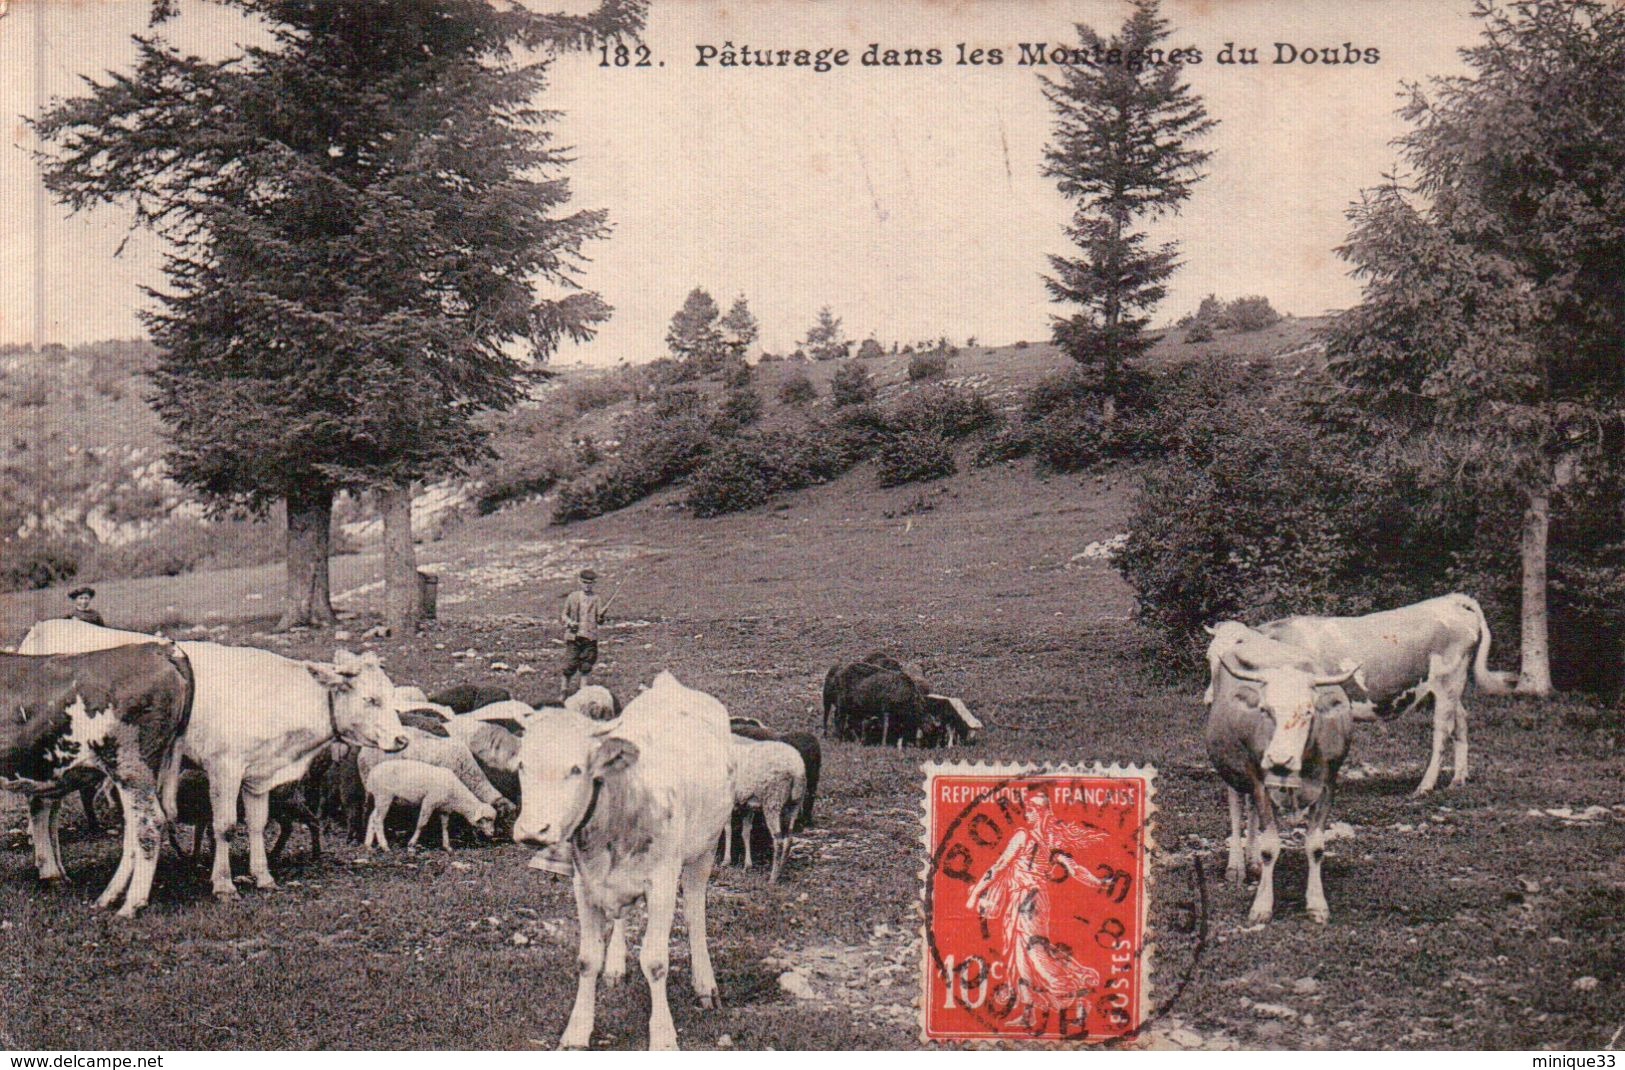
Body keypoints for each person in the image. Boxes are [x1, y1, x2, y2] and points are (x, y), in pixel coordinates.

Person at [966, 791, 1112, 1031]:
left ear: (1041, 811)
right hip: (1036, 899)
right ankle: (1028, 1012)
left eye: (1031, 810)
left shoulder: (1022, 836)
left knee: (1032, 953)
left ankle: (1070, 986)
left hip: (1026, 898)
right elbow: (1074, 869)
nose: (1027, 814)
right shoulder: (1053, 840)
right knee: (1022, 953)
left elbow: (1000, 865)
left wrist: (975, 893)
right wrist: (1097, 882)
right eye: (1027, 810)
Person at [560, 568, 608, 700]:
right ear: (579, 582)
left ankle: (582, 693)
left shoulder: (597, 599)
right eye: (585, 582)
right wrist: (570, 623)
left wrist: (601, 617)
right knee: (569, 665)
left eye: (590, 583)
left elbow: (600, 621)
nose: (587, 585)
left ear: (594, 584)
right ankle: (564, 691)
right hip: (574, 637)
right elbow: (564, 615)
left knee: (586, 665)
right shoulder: (573, 597)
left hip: (590, 637)